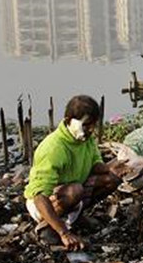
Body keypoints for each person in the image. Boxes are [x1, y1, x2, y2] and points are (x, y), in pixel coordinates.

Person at [23, 95, 120, 250]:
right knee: (75, 190)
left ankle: (77, 216)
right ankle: (47, 227)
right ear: (69, 121)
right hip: (43, 204)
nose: (91, 130)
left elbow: (95, 165)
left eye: (93, 125)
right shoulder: (54, 148)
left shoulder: (85, 139)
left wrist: (112, 166)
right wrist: (64, 233)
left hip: (73, 191)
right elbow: (39, 196)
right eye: (86, 125)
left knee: (112, 180)